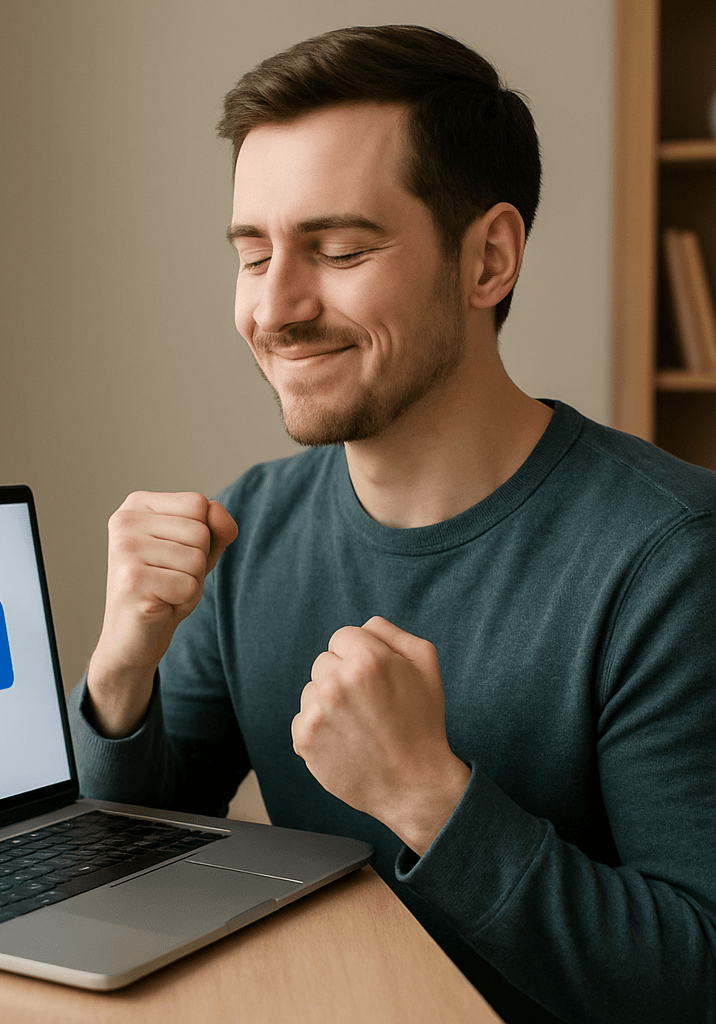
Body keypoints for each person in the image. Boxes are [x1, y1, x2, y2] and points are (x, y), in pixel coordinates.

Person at [66, 25, 716, 1024]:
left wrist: (431, 797)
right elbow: (127, 863)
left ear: (488, 257)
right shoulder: (254, 529)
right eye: (252, 254)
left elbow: (695, 976)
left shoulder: (672, 558)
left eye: (336, 250)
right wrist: (119, 677)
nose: (274, 307)